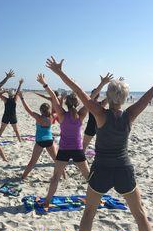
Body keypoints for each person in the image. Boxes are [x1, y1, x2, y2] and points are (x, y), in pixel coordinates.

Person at [46, 56, 153, 231]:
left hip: (102, 170)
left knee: (89, 212)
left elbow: (79, 91)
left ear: (109, 96)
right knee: (139, 213)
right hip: (123, 169)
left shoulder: (100, 113)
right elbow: (148, 96)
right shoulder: (130, 114)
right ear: (125, 98)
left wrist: (60, 72)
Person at [37, 72, 113, 208]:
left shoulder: (61, 114)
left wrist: (44, 83)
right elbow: (91, 98)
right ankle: (98, 199)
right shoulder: (81, 114)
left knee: (55, 178)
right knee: (89, 177)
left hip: (64, 151)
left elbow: (53, 97)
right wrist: (102, 83)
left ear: (66, 104)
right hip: (78, 150)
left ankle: (47, 201)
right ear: (77, 103)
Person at [19, 90, 57, 179]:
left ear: (41, 110)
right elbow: (56, 110)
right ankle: (64, 175)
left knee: (33, 161)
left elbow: (27, 109)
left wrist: (22, 98)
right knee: (56, 160)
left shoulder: (38, 117)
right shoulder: (52, 117)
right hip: (49, 140)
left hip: (40, 141)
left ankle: (23, 177)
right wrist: (54, 100)